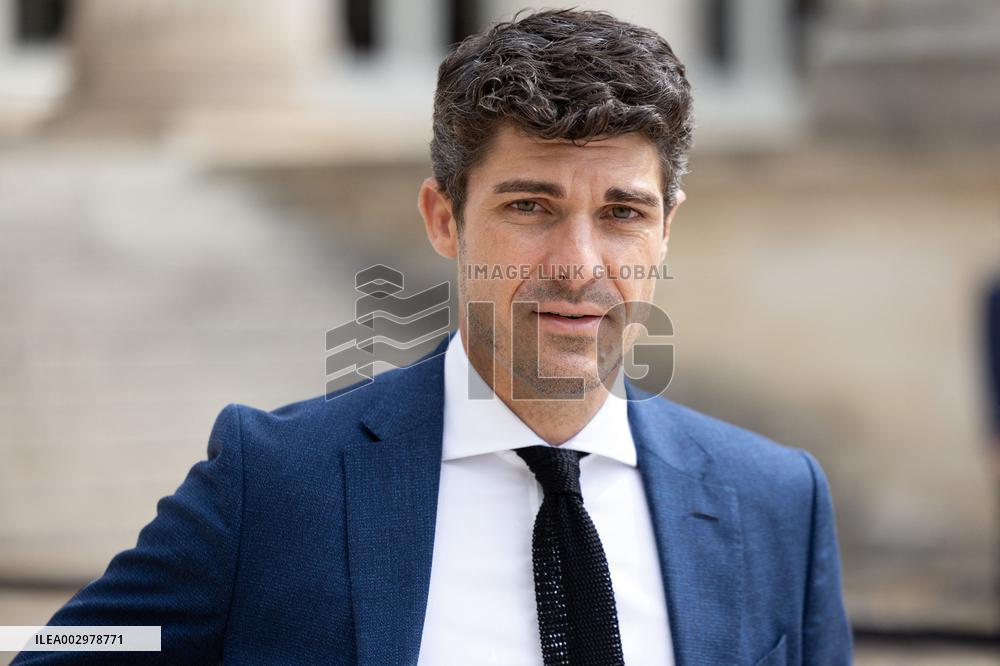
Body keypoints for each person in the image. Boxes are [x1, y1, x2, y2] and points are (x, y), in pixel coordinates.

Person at [14, 9, 852, 665]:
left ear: (666, 230)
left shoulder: (777, 501)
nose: (578, 264)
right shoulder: (272, 480)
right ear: (444, 218)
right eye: (530, 207)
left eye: (622, 214)